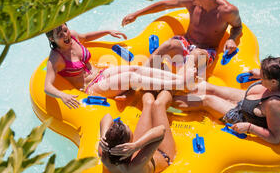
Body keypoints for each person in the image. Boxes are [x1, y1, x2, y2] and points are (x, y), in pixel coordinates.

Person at [44, 23, 187, 109]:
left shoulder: (73, 36)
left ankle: (178, 79)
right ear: (52, 38)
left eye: (65, 29)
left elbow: (86, 37)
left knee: (136, 69)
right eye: (59, 34)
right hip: (91, 88)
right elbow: (47, 86)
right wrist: (62, 96)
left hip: (101, 73)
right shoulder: (56, 57)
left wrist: (107, 31)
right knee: (131, 77)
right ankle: (179, 83)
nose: (65, 34)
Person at [121, 0, 243, 71]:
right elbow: (165, 4)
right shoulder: (191, 2)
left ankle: (178, 84)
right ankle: (141, 74)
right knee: (168, 45)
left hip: (206, 50)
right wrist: (137, 14)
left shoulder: (227, 11)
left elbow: (238, 27)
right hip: (186, 42)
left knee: (195, 55)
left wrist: (232, 39)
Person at [173, 56, 280, 145]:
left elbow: (276, 138)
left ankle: (168, 99)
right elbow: (274, 77)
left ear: (273, 82)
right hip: (254, 101)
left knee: (206, 99)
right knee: (209, 88)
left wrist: (249, 127)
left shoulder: (275, 105)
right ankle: (171, 84)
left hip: (244, 117)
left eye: (263, 75)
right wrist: (260, 74)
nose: (261, 76)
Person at [98, 90, 176, 173]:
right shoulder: (135, 167)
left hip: (136, 150)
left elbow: (107, 116)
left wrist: (103, 135)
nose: (129, 127)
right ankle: (169, 88)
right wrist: (136, 145)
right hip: (163, 153)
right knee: (158, 105)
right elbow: (161, 130)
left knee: (149, 103)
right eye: (128, 128)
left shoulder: (105, 154)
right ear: (128, 141)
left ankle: (147, 87)